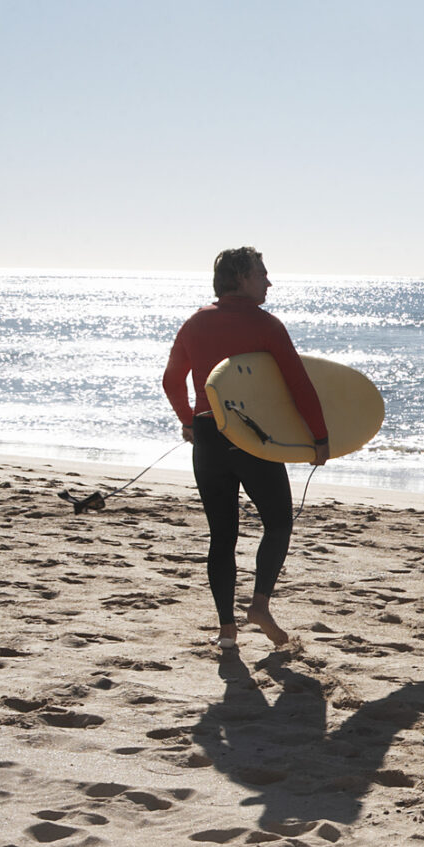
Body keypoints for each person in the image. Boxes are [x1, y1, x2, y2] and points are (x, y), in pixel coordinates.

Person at [161, 247, 329, 650]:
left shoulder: (194, 323)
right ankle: (259, 606)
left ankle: (226, 630)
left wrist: (188, 419)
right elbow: (298, 384)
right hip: (252, 440)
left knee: (222, 535)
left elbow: (171, 381)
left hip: (208, 438)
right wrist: (319, 438)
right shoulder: (266, 325)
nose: (268, 281)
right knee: (279, 523)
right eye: (261, 274)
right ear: (240, 278)